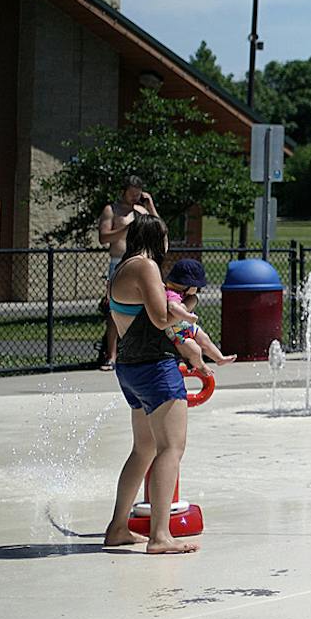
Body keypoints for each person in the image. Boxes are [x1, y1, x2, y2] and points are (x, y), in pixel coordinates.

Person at [100, 213, 207, 553]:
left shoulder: (122, 268)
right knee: (171, 448)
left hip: (130, 368)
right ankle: (161, 536)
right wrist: (188, 308)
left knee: (143, 448)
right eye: (165, 237)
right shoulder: (146, 267)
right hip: (154, 367)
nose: (168, 244)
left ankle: (118, 527)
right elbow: (162, 319)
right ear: (156, 239)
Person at [95, 176, 159, 370]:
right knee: (115, 308)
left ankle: (143, 351)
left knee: (146, 307)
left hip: (141, 262)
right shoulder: (111, 210)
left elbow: (158, 228)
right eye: (131, 194)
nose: (134, 198)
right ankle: (112, 355)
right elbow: (103, 237)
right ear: (123, 191)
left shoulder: (141, 210)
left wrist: (150, 205)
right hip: (119, 263)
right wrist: (125, 229)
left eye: (137, 194)